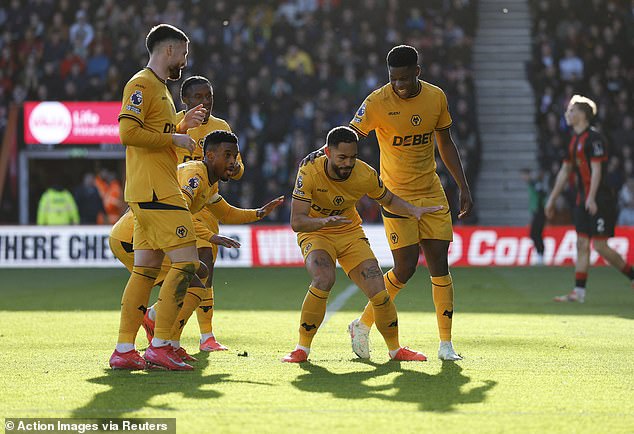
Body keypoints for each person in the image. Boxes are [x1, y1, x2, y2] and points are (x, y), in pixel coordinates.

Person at [303, 45, 471, 360]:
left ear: (417, 72)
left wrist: (462, 184)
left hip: (432, 192)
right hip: (395, 195)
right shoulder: (377, 102)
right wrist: (321, 150)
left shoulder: (436, 98)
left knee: (440, 266)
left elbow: (445, 142)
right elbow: (350, 134)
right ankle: (362, 324)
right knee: (405, 268)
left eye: (405, 79)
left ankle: (446, 344)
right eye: (394, 79)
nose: (400, 85)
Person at [110, 130, 284, 362]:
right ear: (210, 156)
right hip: (133, 236)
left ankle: (163, 338)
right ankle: (158, 335)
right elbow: (177, 211)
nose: (233, 162)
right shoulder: (196, 176)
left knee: (196, 276)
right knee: (190, 275)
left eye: (235, 156)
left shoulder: (207, 181)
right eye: (227, 155)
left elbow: (224, 211)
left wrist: (259, 213)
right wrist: (210, 236)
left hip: (149, 233)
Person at [282, 126, 443, 363]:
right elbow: (297, 222)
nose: (348, 163)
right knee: (323, 278)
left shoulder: (365, 174)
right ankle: (301, 349)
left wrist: (412, 210)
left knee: (379, 290)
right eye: (342, 157)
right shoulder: (309, 171)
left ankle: (395, 350)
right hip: (316, 232)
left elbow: (387, 199)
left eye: (353, 157)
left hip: (349, 231)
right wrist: (324, 221)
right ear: (327, 152)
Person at [109, 24, 208, 371]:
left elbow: (155, 133)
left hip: (148, 189)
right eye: (184, 52)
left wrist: (181, 128)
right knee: (187, 264)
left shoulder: (162, 90)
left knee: (146, 270)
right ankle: (162, 342)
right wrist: (173, 141)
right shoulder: (142, 84)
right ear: (169, 51)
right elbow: (127, 133)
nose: (185, 59)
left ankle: (124, 349)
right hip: (158, 191)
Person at [168, 75, 244, 351]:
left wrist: (236, 170)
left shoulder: (221, 127)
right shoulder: (175, 124)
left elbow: (237, 165)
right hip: (177, 205)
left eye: (208, 97)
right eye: (198, 97)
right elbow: (157, 150)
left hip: (207, 206)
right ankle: (168, 330)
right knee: (190, 270)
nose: (204, 102)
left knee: (205, 270)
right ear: (184, 101)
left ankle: (201, 335)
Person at [545, 95, 634, 303]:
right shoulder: (573, 140)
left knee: (601, 247)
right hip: (582, 199)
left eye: (571, 110)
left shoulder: (594, 139)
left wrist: (592, 197)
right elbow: (565, 171)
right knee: (582, 243)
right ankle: (579, 292)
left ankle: (632, 275)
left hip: (600, 199)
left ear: (582, 114)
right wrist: (551, 199)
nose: (568, 113)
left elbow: (597, 170)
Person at [521, 168, 548, 264]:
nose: (523, 177)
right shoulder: (532, 184)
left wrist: (542, 208)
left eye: (524, 175)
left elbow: (543, 194)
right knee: (536, 234)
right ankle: (540, 255)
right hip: (537, 212)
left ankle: (541, 255)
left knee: (535, 233)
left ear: (528, 174)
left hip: (540, 212)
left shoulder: (534, 183)